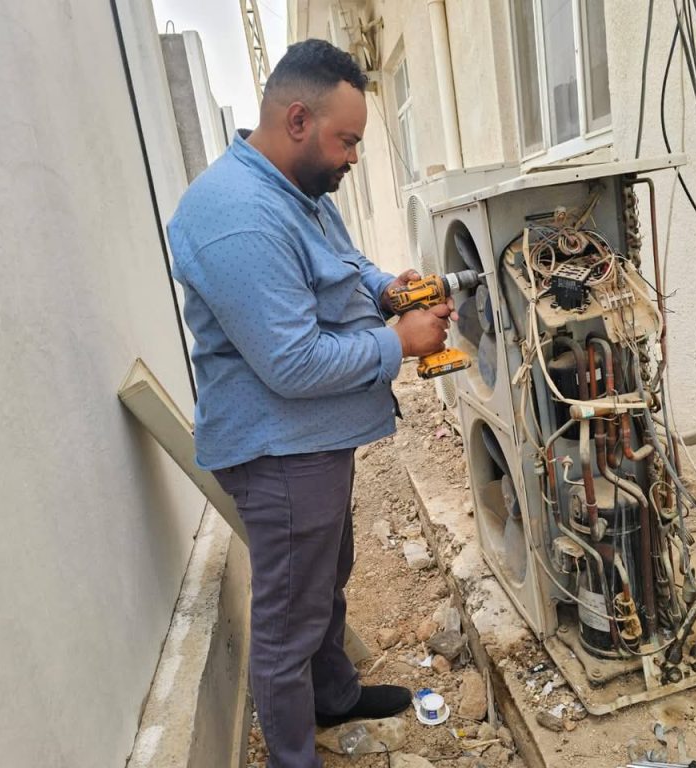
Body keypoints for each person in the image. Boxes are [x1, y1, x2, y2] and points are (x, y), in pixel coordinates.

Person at [167, 39, 452, 768]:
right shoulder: (238, 216)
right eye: (347, 140)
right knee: (288, 622)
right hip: (280, 452)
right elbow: (292, 363)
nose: (354, 156)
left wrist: (389, 288)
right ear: (298, 119)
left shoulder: (300, 193)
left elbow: (347, 266)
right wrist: (400, 341)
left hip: (313, 442)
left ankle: (334, 696)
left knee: (325, 582)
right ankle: (294, 758)